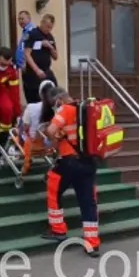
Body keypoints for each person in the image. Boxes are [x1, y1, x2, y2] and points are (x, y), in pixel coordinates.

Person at [41, 88, 100, 257]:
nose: (54, 107)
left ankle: (58, 229)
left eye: (53, 104)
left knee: (53, 186)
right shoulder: (86, 109)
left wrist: (52, 137)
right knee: (88, 202)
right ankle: (92, 243)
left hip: (70, 162)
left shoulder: (65, 109)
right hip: (89, 162)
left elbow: (51, 130)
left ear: (58, 100)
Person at [18, 79, 57, 174]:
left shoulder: (31, 107)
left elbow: (25, 128)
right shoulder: (57, 110)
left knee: (17, 130)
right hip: (51, 146)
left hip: (33, 145)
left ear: (40, 93)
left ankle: (24, 160)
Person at [22, 13, 59, 103]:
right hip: (33, 72)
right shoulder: (32, 34)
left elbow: (55, 57)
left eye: (50, 27)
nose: (48, 29)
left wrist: (50, 47)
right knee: (35, 99)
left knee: (54, 94)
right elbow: (27, 54)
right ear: (42, 23)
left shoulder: (50, 36)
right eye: (47, 27)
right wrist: (37, 70)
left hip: (46, 70)